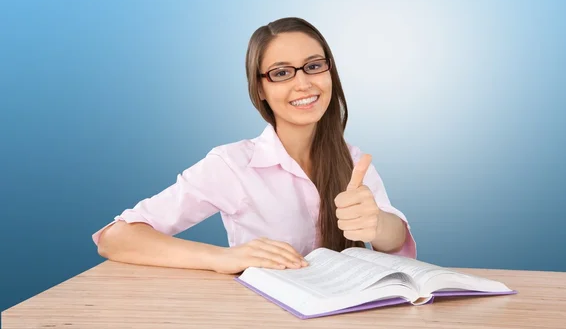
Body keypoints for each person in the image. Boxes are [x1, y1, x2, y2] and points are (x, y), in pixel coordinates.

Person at [93, 17, 416, 274]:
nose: (303, 83)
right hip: (262, 323)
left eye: (314, 66)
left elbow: (395, 240)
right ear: (259, 88)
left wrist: (376, 224)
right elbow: (115, 238)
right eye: (281, 73)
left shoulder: (353, 162)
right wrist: (224, 258)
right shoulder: (232, 165)